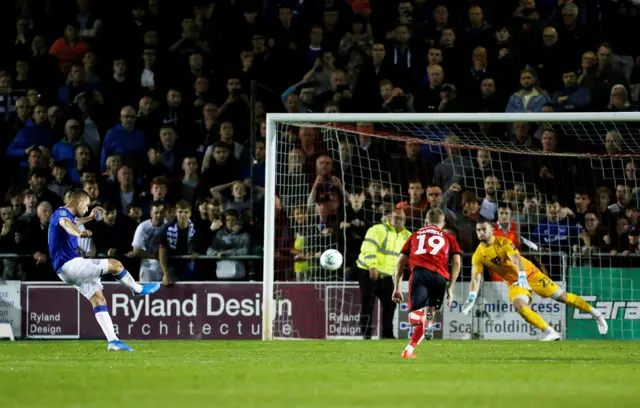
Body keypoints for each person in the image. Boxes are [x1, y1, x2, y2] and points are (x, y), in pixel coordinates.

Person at [48, 189, 161, 351]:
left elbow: (72, 222)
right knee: (115, 264)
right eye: (86, 205)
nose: (87, 208)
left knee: (99, 299)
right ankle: (138, 289)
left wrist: (89, 218)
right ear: (78, 202)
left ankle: (113, 341)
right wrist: (79, 234)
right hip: (70, 265)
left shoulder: (66, 215)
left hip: (64, 270)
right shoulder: (62, 213)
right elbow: (66, 225)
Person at [460, 220, 608, 341]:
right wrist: (472, 296)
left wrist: (523, 276)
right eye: (478, 230)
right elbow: (476, 276)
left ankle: (597, 314)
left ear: (492, 229)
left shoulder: (504, 243)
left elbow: (517, 260)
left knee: (562, 297)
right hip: (514, 283)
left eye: (483, 229)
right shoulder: (478, 254)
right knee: (519, 305)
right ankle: (550, 332)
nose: (480, 233)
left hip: (530, 274)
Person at [393, 208, 462, 359]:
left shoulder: (416, 235)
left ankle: (423, 319)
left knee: (413, 317)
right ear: (442, 224)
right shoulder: (449, 237)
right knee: (430, 315)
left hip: (420, 274)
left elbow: (400, 262)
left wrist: (397, 287)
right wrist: (450, 287)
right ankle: (408, 351)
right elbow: (457, 261)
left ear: (425, 222)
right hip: (440, 277)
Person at [356, 208, 411, 339]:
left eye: (402, 219)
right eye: (396, 218)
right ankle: (366, 334)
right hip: (368, 271)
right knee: (367, 303)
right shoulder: (377, 230)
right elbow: (368, 248)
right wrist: (372, 267)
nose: (399, 221)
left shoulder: (408, 236)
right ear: (389, 218)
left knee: (390, 305)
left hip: (387, 275)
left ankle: (387, 334)